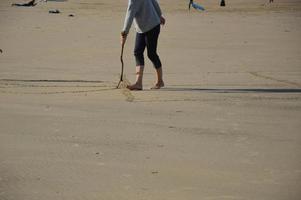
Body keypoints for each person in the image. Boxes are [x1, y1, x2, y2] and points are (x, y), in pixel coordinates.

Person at [121, 0, 166, 90]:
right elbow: (154, 1)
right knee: (138, 52)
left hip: (152, 26)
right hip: (142, 28)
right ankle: (138, 83)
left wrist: (124, 33)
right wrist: (159, 14)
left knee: (151, 54)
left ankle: (160, 81)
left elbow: (129, 15)